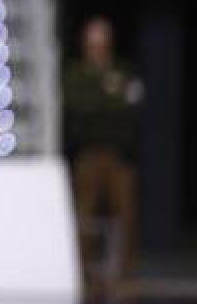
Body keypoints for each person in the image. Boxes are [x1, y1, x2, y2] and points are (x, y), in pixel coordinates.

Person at [64, 15, 141, 296]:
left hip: (118, 156)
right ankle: (85, 276)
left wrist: (106, 101)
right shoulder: (76, 74)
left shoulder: (123, 71)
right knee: (85, 215)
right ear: (85, 44)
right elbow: (80, 109)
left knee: (126, 215)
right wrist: (109, 98)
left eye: (101, 41)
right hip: (88, 156)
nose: (96, 47)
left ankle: (124, 277)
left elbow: (130, 111)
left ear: (109, 43)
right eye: (91, 42)